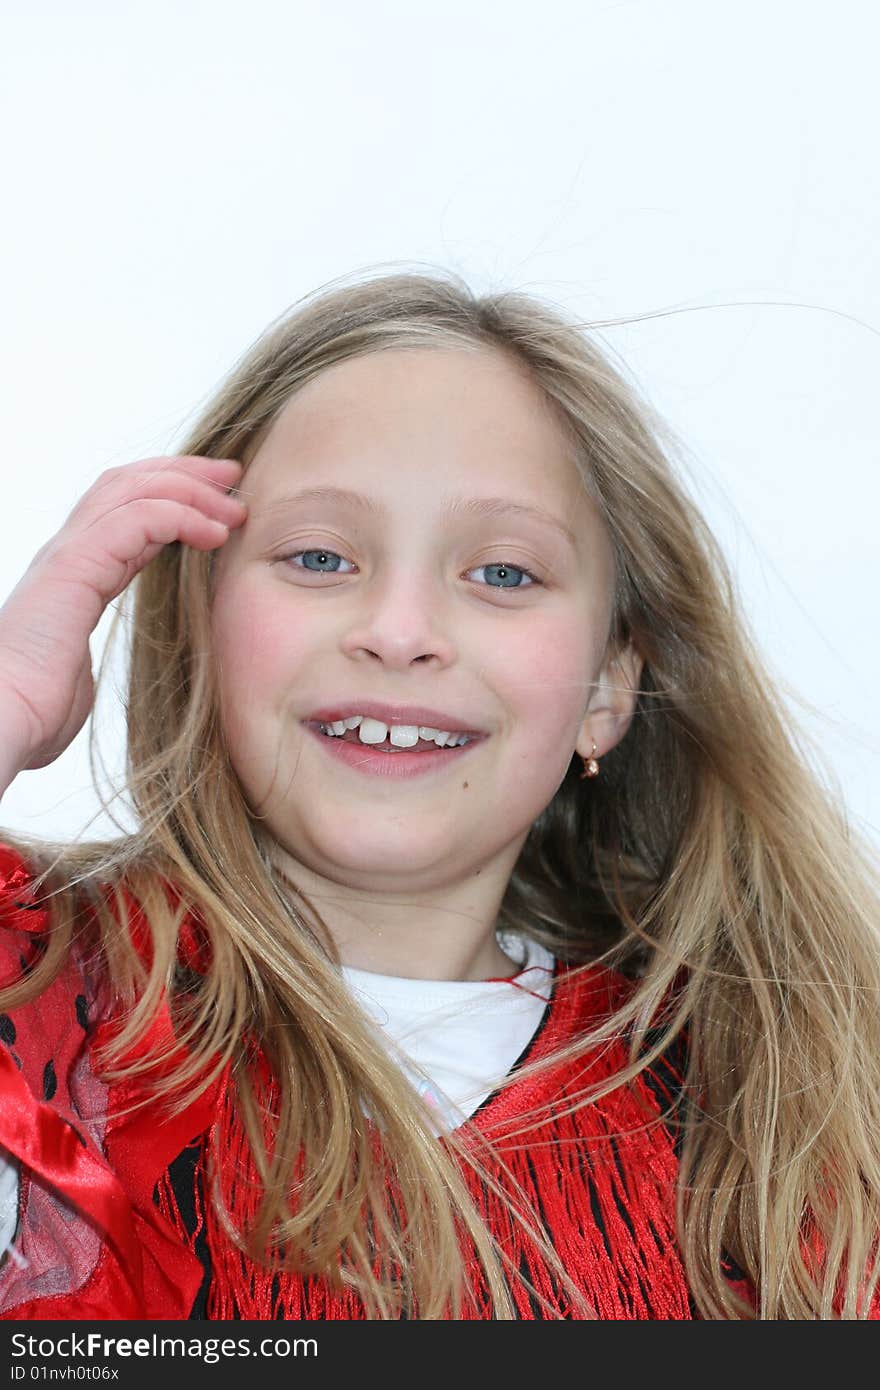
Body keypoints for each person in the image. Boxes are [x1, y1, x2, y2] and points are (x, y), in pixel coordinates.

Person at [0, 270, 878, 1321]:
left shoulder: (777, 1116)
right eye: (320, 555)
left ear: (607, 688)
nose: (401, 627)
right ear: (200, 631)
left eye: (503, 573)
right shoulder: (36, 1007)